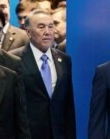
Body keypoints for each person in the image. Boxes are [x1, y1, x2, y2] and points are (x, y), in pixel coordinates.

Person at [17, 9, 76, 139]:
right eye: (41, 27)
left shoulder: (64, 59)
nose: (47, 32)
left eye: (51, 26)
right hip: (29, 134)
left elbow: (68, 103)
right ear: (28, 32)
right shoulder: (14, 59)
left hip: (58, 133)